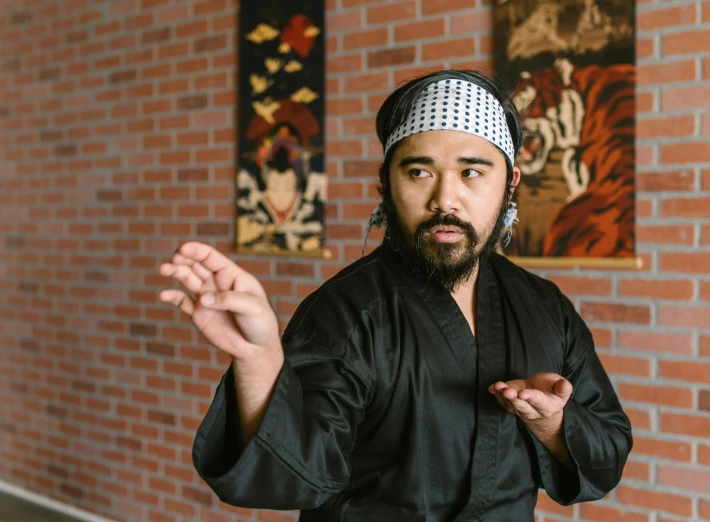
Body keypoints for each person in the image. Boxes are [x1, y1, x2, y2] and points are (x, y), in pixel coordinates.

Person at [158, 70, 632, 521]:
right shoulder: (346, 313)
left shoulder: (545, 306)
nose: (445, 199)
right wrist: (260, 360)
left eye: (472, 172)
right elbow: (291, 477)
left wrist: (552, 423)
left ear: (510, 185)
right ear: (384, 184)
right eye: (419, 172)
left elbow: (608, 453)